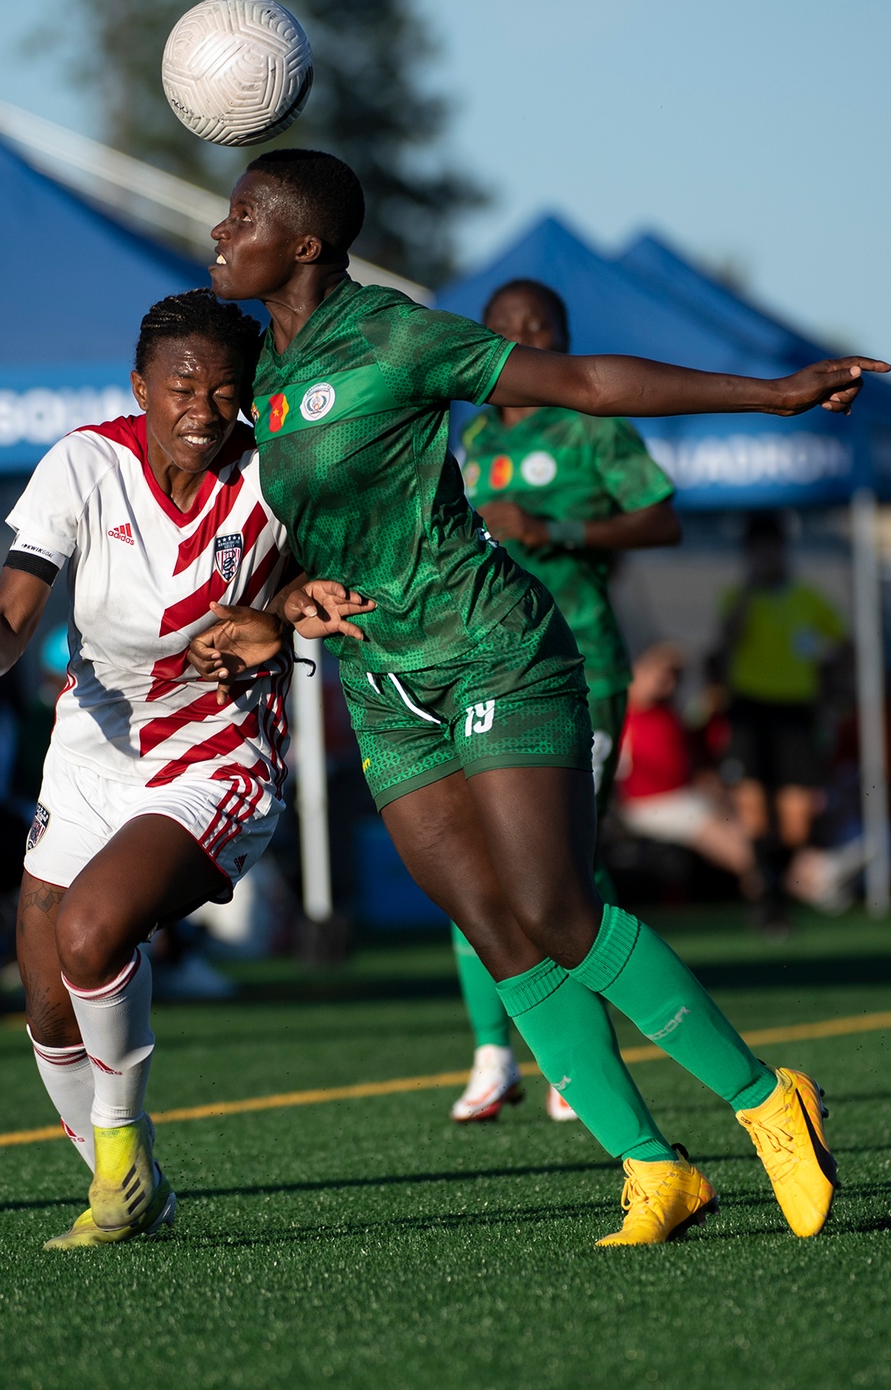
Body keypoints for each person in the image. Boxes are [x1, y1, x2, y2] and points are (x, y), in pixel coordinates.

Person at [196, 147, 884, 1245]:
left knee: (558, 907)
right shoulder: (262, 380)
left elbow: (586, 385)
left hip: (492, 651)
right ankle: (654, 1169)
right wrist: (278, 604)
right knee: (494, 928)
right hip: (382, 685)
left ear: (307, 243)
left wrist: (772, 393)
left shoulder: (392, 334)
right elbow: (294, 540)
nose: (219, 233)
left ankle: (768, 1102)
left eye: (241, 217)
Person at [0, 289, 372, 1250]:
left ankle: (119, 1171)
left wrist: (277, 624)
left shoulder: (280, 473)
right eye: (181, 385)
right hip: (90, 753)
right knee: (44, 997)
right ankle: (127, 1181)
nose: (202, 406)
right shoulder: (83, 460)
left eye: (225, 388)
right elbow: (13, 620)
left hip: (216, 755)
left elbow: (322, 595)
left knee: (93, 929)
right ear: (140, 387)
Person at [449, 279, 680, 1125]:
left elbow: (662, 520)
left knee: (560, 864)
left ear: (565, 335)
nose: (530, 338)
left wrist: (556, 532)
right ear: (491, 342)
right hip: (483, 668)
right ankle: (491, 1053)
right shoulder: (470, 434)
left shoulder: (589, 424)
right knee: (474, 859)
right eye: (513, 330)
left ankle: (578, 1055)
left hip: (580, 666)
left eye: (544, 326)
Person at [716, 511, 847, 929]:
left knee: (796, 818)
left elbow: (843, 643)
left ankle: (775, 889)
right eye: (758, 550)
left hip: (795, 712)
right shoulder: (737, 596)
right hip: (751, 710)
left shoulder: (807, 598)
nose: (767, 557)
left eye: (773, 548)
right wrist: (750, 594)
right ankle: (768, 905)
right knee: (753, 807)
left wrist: (836, 690)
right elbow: (726, 642)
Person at [617, 641, 761, 892]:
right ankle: (763, 888)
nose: (667, 683)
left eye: (674, 677)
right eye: (662, 675)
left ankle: (767, 881)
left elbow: (693, 756)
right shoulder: (626, 711)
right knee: (724, 837)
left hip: (684, 797)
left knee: (743, 822)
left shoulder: (668, 714)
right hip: (652, 804)